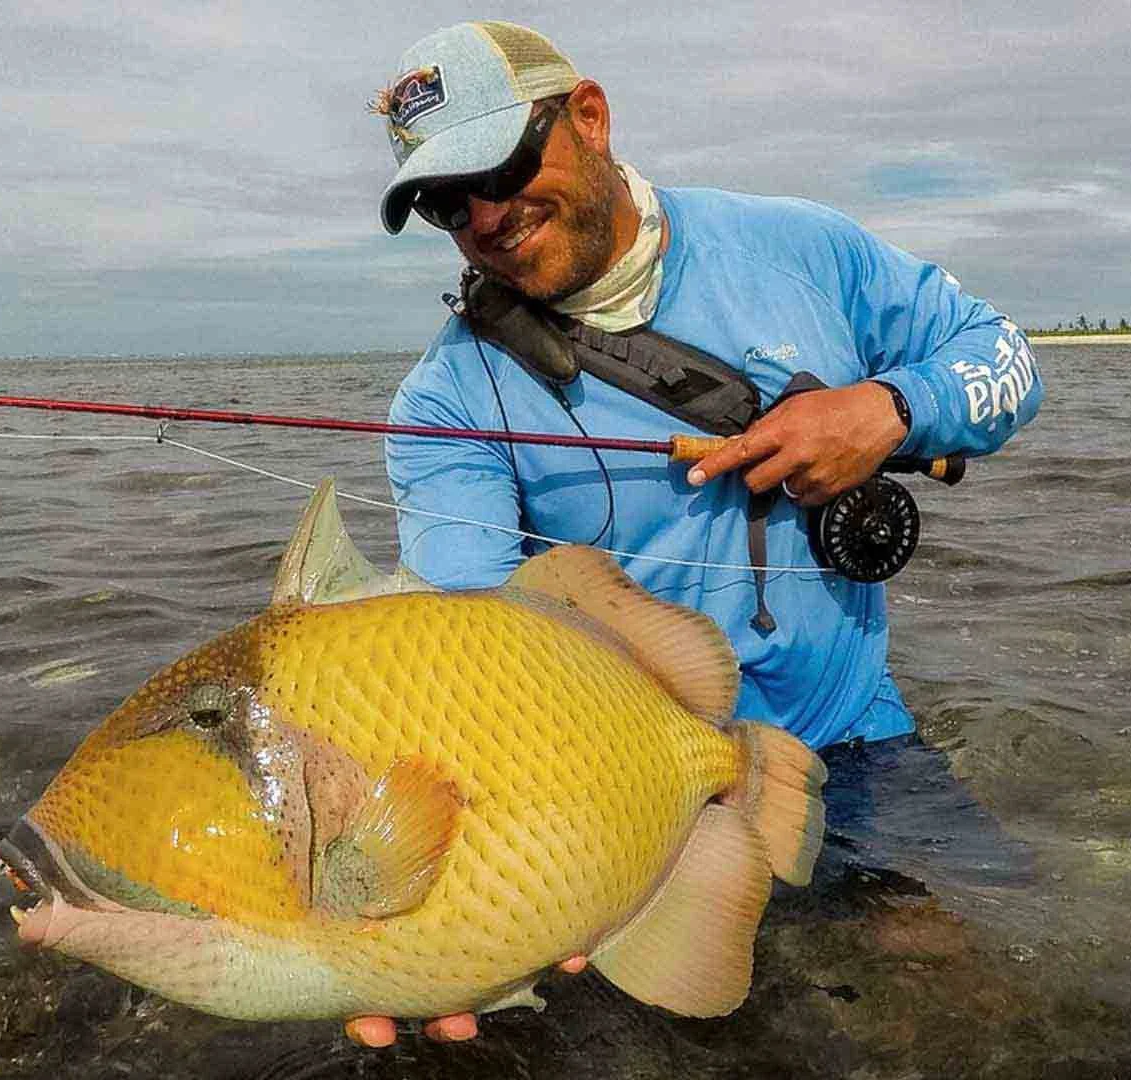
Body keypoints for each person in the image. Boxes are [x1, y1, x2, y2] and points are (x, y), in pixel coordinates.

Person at [349, 21, 1044, 1048]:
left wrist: (888, 411)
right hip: (629, 794)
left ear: (587, 116)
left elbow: (1006, 356)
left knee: (989, 999)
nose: (487, 216)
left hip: (853, 737)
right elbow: (471, 644)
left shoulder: (800, 246)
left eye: (499, 165)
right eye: (449, 201)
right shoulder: (445, 402)